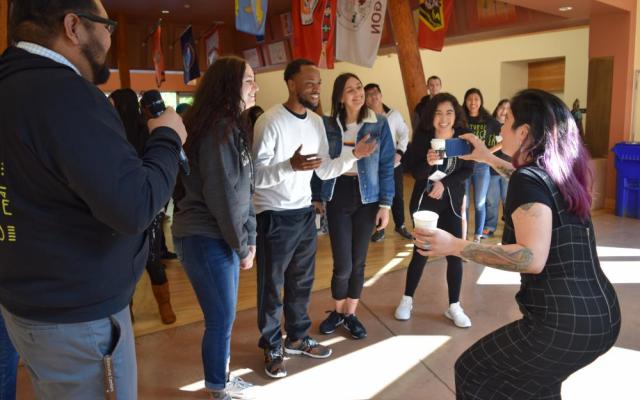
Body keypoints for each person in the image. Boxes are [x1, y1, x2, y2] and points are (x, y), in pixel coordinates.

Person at [0, 0, 187, 398]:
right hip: (76, 319)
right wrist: (167, 137)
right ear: (74, 26)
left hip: (28, 301)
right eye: (107, 26)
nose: (108, 37)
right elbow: (135, 205)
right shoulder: (63, 94)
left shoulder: (12, 84)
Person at [416, 89, 621, 399]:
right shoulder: (558, 173)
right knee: (539, 386)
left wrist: (455, 245)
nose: (500, 127)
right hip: (602, 314)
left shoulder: (529, 179)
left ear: (523, 132)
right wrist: (486, 156)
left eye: (507, 120)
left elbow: (530, 258)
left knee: (473, 371)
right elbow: (525, 181)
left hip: (562, 325)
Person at [252, 59, 376, 379]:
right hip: (274, 215)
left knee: (301, 283)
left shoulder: (317, 123)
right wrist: (289, 166)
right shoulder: (269, 121)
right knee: (272, 285)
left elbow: (324, 169)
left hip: (304, 212)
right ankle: (271, 344)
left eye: (319, 83)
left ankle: (296, 337)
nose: (316, 89)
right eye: (309, 83)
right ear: (291, 83)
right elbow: (255, 178)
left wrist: (354, 155)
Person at [172, 56, 258, 400]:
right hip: (204, 236)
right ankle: (217, 387)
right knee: (220, 318)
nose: (255, 87)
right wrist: (243, 245)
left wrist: (247, 238)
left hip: (222, 234)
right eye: (248, 81)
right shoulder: (218, 129)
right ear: (229, 86)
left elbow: (246, 188)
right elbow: (225, 196)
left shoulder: (231, 125)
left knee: (225, 316)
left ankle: (221, 378)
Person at [315, 74, 395, 339]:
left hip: (368, 198)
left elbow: (386, 166)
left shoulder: (379, 123)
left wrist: (386, 205)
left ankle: (350, 314)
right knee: (343, 264)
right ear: (340, 97)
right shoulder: (328, 125)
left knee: (358, 262)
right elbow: (320, 165)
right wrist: (317, 197)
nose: (357, 93)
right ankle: (338, 311)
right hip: (338, 193)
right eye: (350, 90)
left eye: (359, 88)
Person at [394, 93, 474, 327]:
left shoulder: (462, 139)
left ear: (455, 114)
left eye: (449, 113)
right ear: (432, 115)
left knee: (455, 253)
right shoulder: (423, 138)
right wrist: (427, 165)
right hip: (426, 203)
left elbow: (468, 170)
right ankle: (407, 299)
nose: (444, 118)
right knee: (421, 251)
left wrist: (444, 183)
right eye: (438, 113)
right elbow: (413, 172)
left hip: (451, 203)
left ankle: (454, 306)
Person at [109, 88, 176, 325]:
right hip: (125, 207)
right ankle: (128, 310)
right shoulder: (112, 132)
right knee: (129, 261)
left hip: (146, 207)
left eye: (112, 102)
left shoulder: (146, 131)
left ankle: (164, 306)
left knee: (151, 258)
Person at [364, 83, 412, 242]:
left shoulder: (394, 114)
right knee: (377, 197)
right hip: (373, 166)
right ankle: (380, 229)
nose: (373, 97)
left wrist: (400, 152)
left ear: (381, 95)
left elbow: (404, 133)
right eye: (369, 95)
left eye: (376, 93)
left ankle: (400, 225)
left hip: (394, 164)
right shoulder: (364, 118)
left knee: (397, 196)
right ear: (365, 100)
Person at [462, 88, 501, 242]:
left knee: (480, 202)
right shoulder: (461, 119)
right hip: (463, 165)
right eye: (469, 99)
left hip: (481, 166)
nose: (473, 102)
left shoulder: (489, 120)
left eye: (476, 99)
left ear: (481, 101)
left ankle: (477, 236)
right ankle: (463, 235)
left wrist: (487, 153)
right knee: (463, 204)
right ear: (465, 101)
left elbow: (502, 141)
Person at [483, 98, 511, 238]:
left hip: (508, 167)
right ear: (497, 108)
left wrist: (486, 153)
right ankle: (489, 226)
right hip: (491, 168)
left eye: (507, 108)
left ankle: (509, 225)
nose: (504, 111)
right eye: (502, 107)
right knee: (491, 200)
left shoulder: (513, 126)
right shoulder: (489, 124)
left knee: (508, 198)